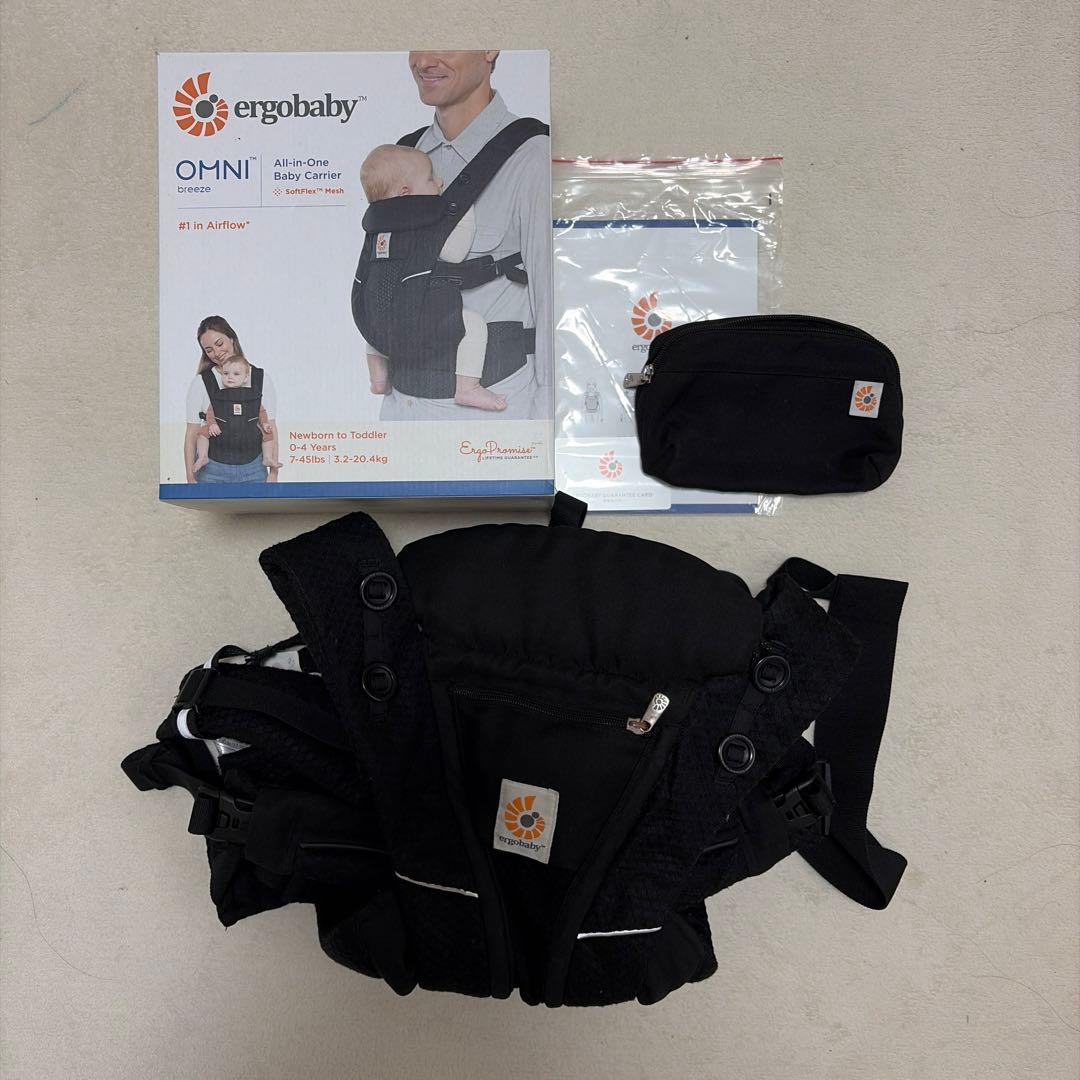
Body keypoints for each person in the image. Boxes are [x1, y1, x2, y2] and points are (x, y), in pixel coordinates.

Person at [364, 50, 551, 421]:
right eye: (418, 45)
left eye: (444, 42)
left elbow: (552, 298)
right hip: (402, 409)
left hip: (493, 415)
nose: (424, 61)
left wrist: (547, 415)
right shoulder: (403, 154)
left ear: (490, 48)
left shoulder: (531, 156)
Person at [359, 143, 505, 411]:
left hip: (379, 320)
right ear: (407, 193)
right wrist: (464, 211)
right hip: (419, 323)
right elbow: (455, 253)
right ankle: (468, 387)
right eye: (430, 178)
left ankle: (378, 378)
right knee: (473, 325)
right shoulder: (422, 225)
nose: (439, 182)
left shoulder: (377, 231)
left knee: (375, 329)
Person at [183, 316, 280, 484]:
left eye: (219, 344)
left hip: (254, 469)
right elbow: (191, 434)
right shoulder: (201, 382)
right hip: (211, 471)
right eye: (209, 350)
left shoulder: (260, 378)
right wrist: (190, 477)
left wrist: (274, 474)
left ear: (232, 339)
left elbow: (271, 428)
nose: (216, 352)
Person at [192, 356, 282, 473]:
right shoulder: (218, 395)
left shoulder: (252, 394)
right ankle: (203, 456)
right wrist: (212, 424)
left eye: (236, 374)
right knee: (202, 432)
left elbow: (261, 411)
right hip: (221, 428)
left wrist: (265, 423)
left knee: (268, 433)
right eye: (225, 373)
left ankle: (267, 458)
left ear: (245, 378)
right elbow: (210, 412)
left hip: (249, 429)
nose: (230, 377)